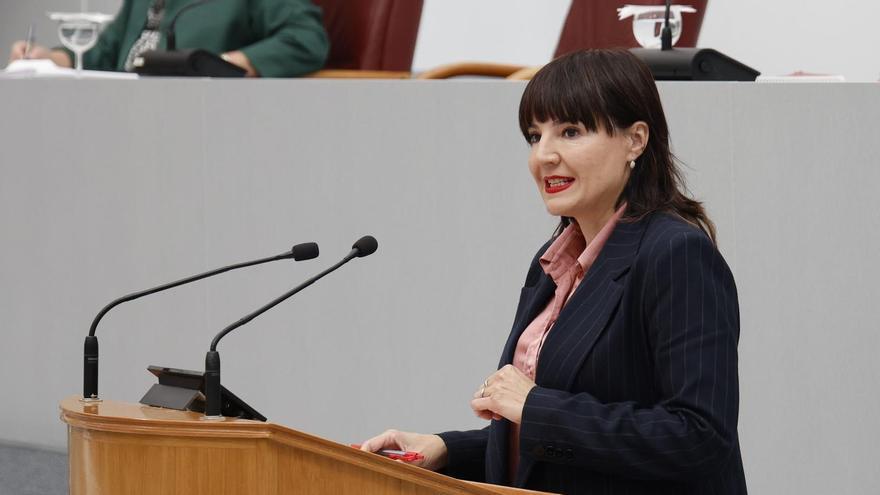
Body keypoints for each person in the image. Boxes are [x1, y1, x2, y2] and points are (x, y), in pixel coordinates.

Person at [360, 49, 746, 494]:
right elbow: (556, 445)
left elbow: (699, 437)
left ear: (635, 140)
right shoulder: (554, 260)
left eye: (570, 131)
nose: (544, 155)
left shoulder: (676, 254)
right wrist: (445, 448)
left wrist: (534, 406)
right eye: (534, 136)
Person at [8, 0, 328, 77]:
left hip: (196, 122)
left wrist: (225, 65)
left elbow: (306, 39)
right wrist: (49, 58)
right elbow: (102, 55)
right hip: (116, 117)